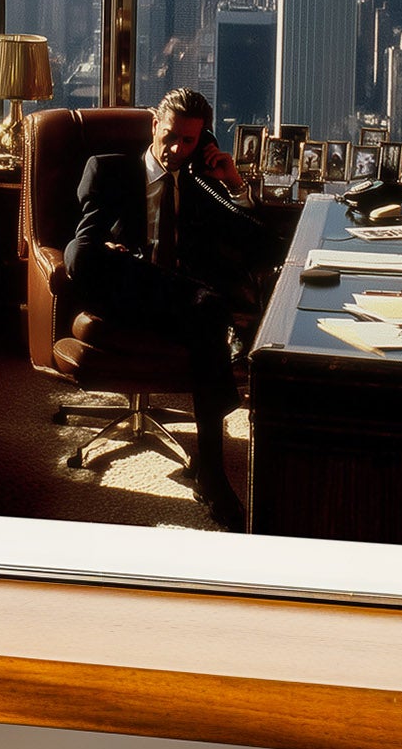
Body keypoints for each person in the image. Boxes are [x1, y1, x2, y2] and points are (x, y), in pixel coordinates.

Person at [63, 88, 261, 531]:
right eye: (170, 136)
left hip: (180, 302)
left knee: (205, 311)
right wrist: (108, 250)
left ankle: (211, 471)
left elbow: (256, 240)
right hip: (126, 293)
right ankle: (211, 473)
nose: (176, 149)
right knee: (84, 253)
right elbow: (84, 249)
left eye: (189, 141)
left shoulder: (198, 183)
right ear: (154, 125)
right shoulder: (109, 169)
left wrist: (233, 183)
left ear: (201, 140)